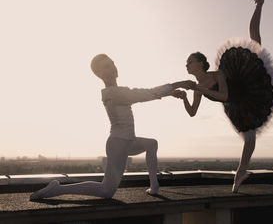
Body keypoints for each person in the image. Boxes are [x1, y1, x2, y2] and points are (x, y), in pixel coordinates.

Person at [30, 54, 193, 200]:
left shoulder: (114, 91)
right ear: (99, 74)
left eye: (112, 63)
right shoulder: (113, 93)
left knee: (152, 144)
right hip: (118, 144)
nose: (113, 67)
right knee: (106, 190)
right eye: (107, 66)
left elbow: (146, 94)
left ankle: (154, 187)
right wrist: (176, 85)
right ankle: (57, 189)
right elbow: (145, 94)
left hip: (128, 141)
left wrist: (171, 92)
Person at [172, 0, 273, 193]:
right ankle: (241, 172)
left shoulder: (218, 74)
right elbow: (193, 113)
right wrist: (184, 97)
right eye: (187, 62)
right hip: (235, 104)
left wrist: (201, 90)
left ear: (200, 64)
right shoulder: (197, 86)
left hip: (243, 86)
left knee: (255, 39)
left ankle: (259, 4)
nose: (186, 65)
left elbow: (223, 94)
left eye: (190, 61)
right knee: (249, 137)